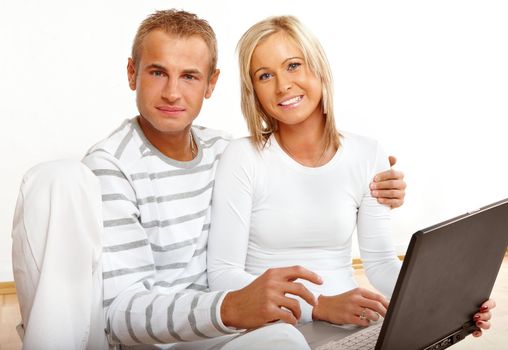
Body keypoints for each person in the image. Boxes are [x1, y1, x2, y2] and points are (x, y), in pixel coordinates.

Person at [11, 10, 409, 350]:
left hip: (222, 327)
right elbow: (120, 311)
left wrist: (372, 181)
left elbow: (292, 175)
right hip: (163, 336)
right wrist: (231, 306)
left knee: (287, 339)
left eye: (189, 76)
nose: (172, 93)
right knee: (56, 178)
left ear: (211, 84)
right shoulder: (111, 168)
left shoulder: (224, 150)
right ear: (132, 74)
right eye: (157, 73)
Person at [207, 15, 494, 336]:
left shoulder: (367, 154)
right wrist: (317, 305)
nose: (282, 85)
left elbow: (381, 265)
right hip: (273, 328)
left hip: (351, 322)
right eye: (264, 75)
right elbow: (223, 273)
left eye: (293, 65)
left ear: (317, 67)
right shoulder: (243, 157)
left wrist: (451, 299)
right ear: (254, 91)